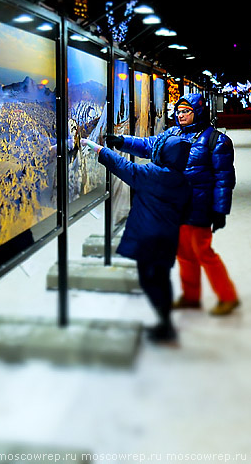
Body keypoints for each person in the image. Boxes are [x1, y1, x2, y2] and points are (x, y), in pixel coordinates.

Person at [106, 93, 240, 316]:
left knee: (203, 252)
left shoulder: (216, 140)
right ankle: (191, 296)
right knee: (184, 253)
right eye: (178, 111)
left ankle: (227, 296)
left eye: (186, 111)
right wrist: (123, 142)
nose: (181, 115)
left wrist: (220, 210)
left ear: (198, 112)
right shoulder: (172, 134)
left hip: (199, 207)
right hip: (175, 206)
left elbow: (224, 178)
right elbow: (149, 145)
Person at [81, 135, 191, 343]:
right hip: (168, 238)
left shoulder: (151, 174)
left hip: (147, 237)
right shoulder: (183, 182)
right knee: (161, 277)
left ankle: (164, 322)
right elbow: (186, 212)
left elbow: (123, 167)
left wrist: (98, 149)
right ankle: (165, 321)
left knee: (147, 279)